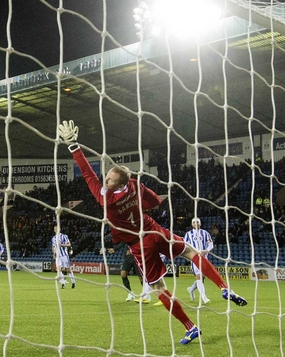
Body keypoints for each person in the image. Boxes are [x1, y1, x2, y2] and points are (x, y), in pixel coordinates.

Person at [58, 120, 247, 345]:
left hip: (140, 245)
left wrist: (72, 145)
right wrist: (137, 206)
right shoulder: (134, 185)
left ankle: (191, 327)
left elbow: (88, 174)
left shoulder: (105, 198)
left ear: (112, 182)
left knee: (158, 288)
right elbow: (156, 200)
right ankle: (224, 288)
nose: (104, 178)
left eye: (107, 177)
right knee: (193, 253)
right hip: (155, 230)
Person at [184, 217, 212, 304]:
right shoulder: (188, 234)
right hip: (194, 258)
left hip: (204, 258)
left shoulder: (205, 233)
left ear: (200, 223)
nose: (195, 223)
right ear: (192, 224)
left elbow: (210, 244)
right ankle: (204, 297)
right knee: (199, 276)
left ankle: (191, 289)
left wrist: (206, 250)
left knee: (202, 278)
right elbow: (184, 245)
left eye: (197, 222)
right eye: (194, 222)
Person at [52, 225, 76, 289]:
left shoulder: (64, 236)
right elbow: (53, 246)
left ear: (59, 229)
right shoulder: (53, 238)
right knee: (59, 269)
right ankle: (63, 283)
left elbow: (69, 244)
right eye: (55, 229)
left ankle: (73, 281)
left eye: (57, 229)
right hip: (58, 256)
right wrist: (54, 253)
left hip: (64, 255)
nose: (56, 230)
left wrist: (62, 245)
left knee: (68, 270)